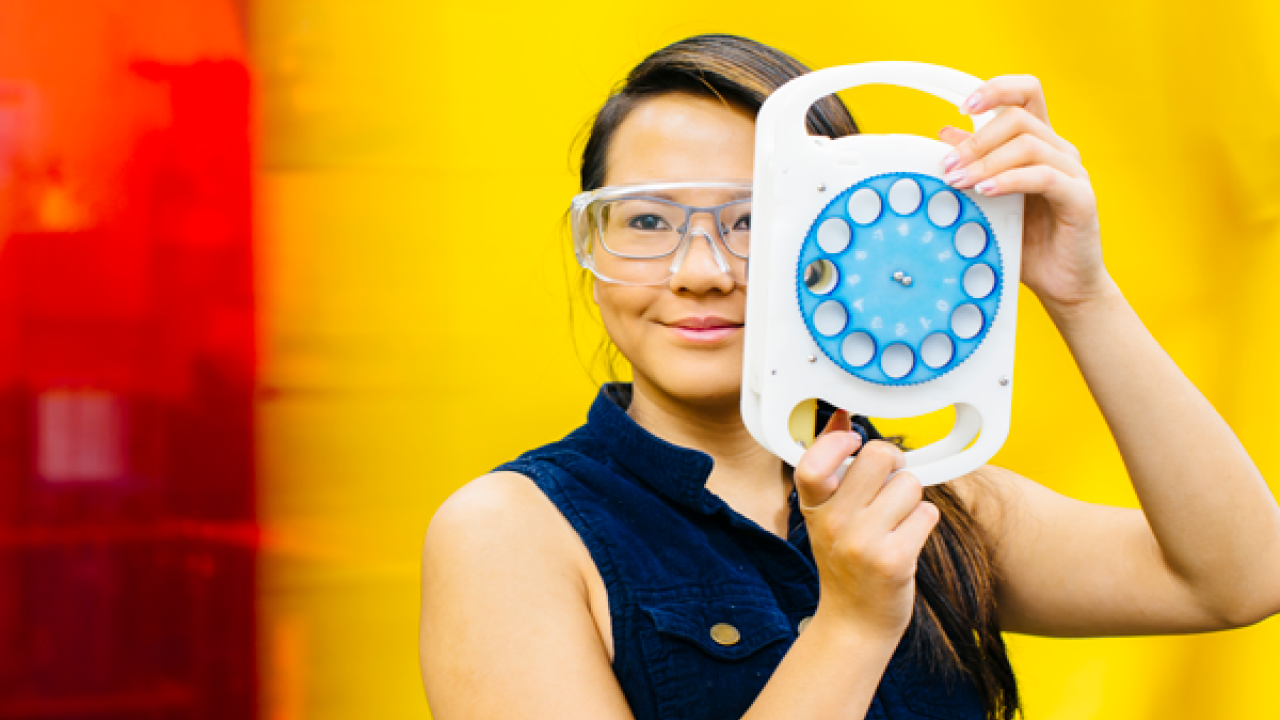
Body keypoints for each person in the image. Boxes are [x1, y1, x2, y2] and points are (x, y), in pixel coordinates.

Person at [419, 34, 1279, 720]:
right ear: (593, 251)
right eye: (644, 220)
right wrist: (853, 624)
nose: (700, 271)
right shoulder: (511, 534)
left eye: (755, 219)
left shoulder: (927, 501)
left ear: (847, 240)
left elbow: (1244, 576)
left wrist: (1079, 292)